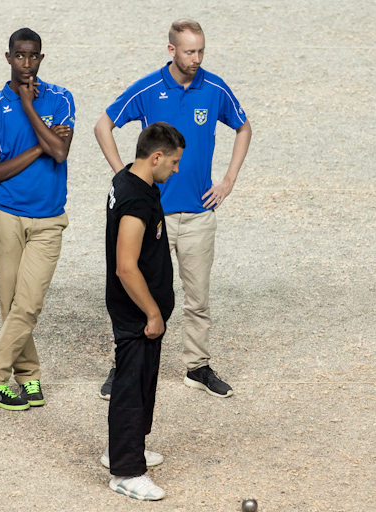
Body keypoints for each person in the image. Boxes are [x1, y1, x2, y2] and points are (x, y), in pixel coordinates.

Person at [94, 19, 253, 399]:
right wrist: (125, 176)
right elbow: (103, 125)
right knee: (137, 291)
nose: (196, 59)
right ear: (172, 50)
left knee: (198, 298)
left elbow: (243, 128)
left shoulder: (215, 88)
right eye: (189, 52)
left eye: (201, 51)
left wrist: (228, 181)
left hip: (198, 215)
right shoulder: (149, 88)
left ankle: (197, 367)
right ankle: (124, 365)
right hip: (153, 217)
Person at [0, 28, 74, 411]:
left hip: (48, 220)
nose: (26, 63)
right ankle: (28, 376)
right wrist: (38, 147)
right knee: (11, 302)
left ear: (41, 58)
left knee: (28, 304)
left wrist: (30, 107)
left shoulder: (61, 99)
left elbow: (60, 152)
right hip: (5, 217)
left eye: (33, 56)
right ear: (8, 57)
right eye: (19, 56)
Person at [104, 122, 184, 501]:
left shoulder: (128, 179)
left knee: (142, 382)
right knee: (131, 387)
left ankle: (127, 446)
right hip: (136, 313)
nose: (176, 169)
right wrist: (153, 313)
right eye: (173, 162)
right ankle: (125, 471)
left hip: (141, 311)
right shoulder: (136, 201)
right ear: (156, 157)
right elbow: (126, 266)